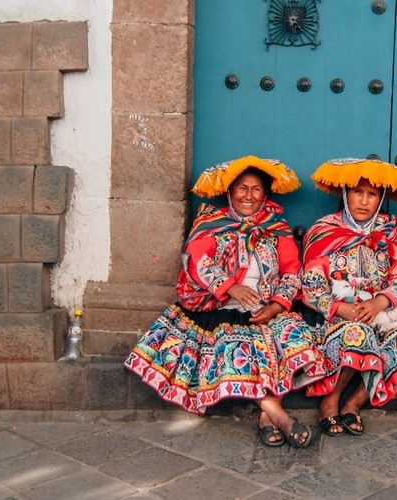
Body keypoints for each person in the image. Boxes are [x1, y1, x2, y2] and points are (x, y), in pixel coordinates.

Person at [124, 155, 325, 448]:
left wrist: (278, 305)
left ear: (265, 193)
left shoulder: (276, 228)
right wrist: (231, 288)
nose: (248, 195)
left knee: (292, 341)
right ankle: (281, 419)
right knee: (240, 349)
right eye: (241, 188)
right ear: (230, 192)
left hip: (267, 308)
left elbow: (292, 269)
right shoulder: (212, 223)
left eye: (256, 189)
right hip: (222, 309)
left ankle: (266, 419)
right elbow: (196, 261)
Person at [299, 157, 397, 437]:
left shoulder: (392, 230)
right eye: (358, 193)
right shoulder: (324, 229)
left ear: (380, 199)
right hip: (337, 314)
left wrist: (380, 301)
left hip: (383, 311)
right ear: (346, 194)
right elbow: (311, 281)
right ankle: (330, 400)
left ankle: (355, 403)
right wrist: (338, 308)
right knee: (357, 334)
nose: (364, 201)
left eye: (372, 195)